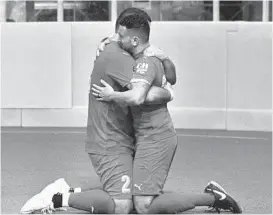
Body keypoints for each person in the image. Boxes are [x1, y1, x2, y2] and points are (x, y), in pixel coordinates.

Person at [20, 8, 174, 215]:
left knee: (132, 198)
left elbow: (165, 79)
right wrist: (168, 93)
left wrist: (164, 61)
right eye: (119, 34)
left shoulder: (133, 53)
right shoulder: (119, 56)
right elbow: (142, 95)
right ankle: (58, 198)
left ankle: (67, 191)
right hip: (110, 140)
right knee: (124, 205)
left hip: (124, 137)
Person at [92, 12, 242, 214]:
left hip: (155, 137)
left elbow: (138, 97)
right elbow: (170, 78)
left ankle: (213, 197)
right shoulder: (147, 55)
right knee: (133, 196)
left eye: (120, 36)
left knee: (143, 206)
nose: (116, 40)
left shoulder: (146, 62)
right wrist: (105, 41)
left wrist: (112, 96)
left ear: (135, 39)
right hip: (144, 135)